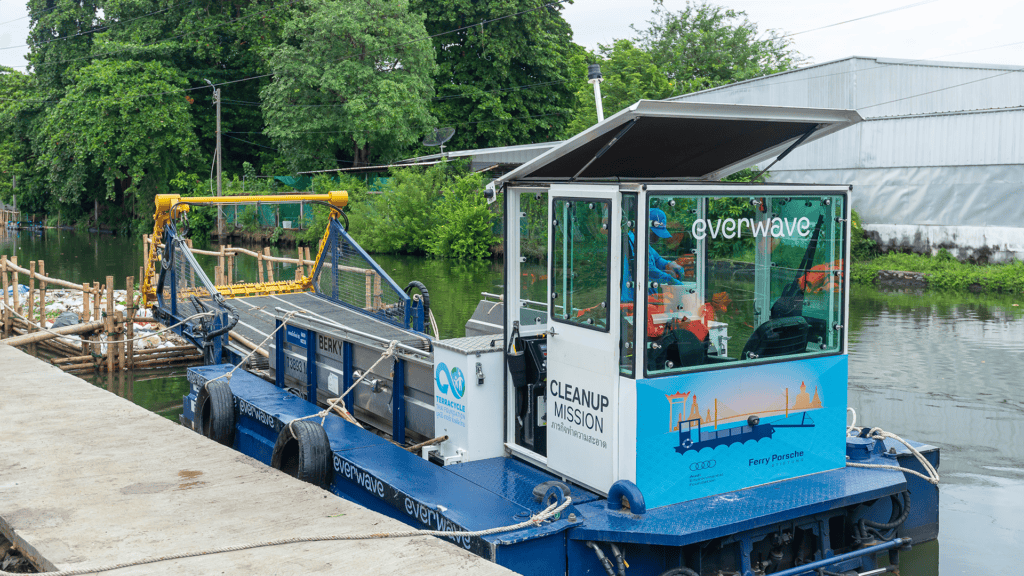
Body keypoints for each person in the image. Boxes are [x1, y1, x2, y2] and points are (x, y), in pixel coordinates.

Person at [621, 208, 684, 303]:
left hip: (647, 298)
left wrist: (670, 264)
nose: (657, 237)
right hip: (632, 301)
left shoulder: (645, 244)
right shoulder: (630, 242)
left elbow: (657, 259)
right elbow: (648, 269)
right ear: (644, 226)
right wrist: (670, 280)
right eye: (655, 233)